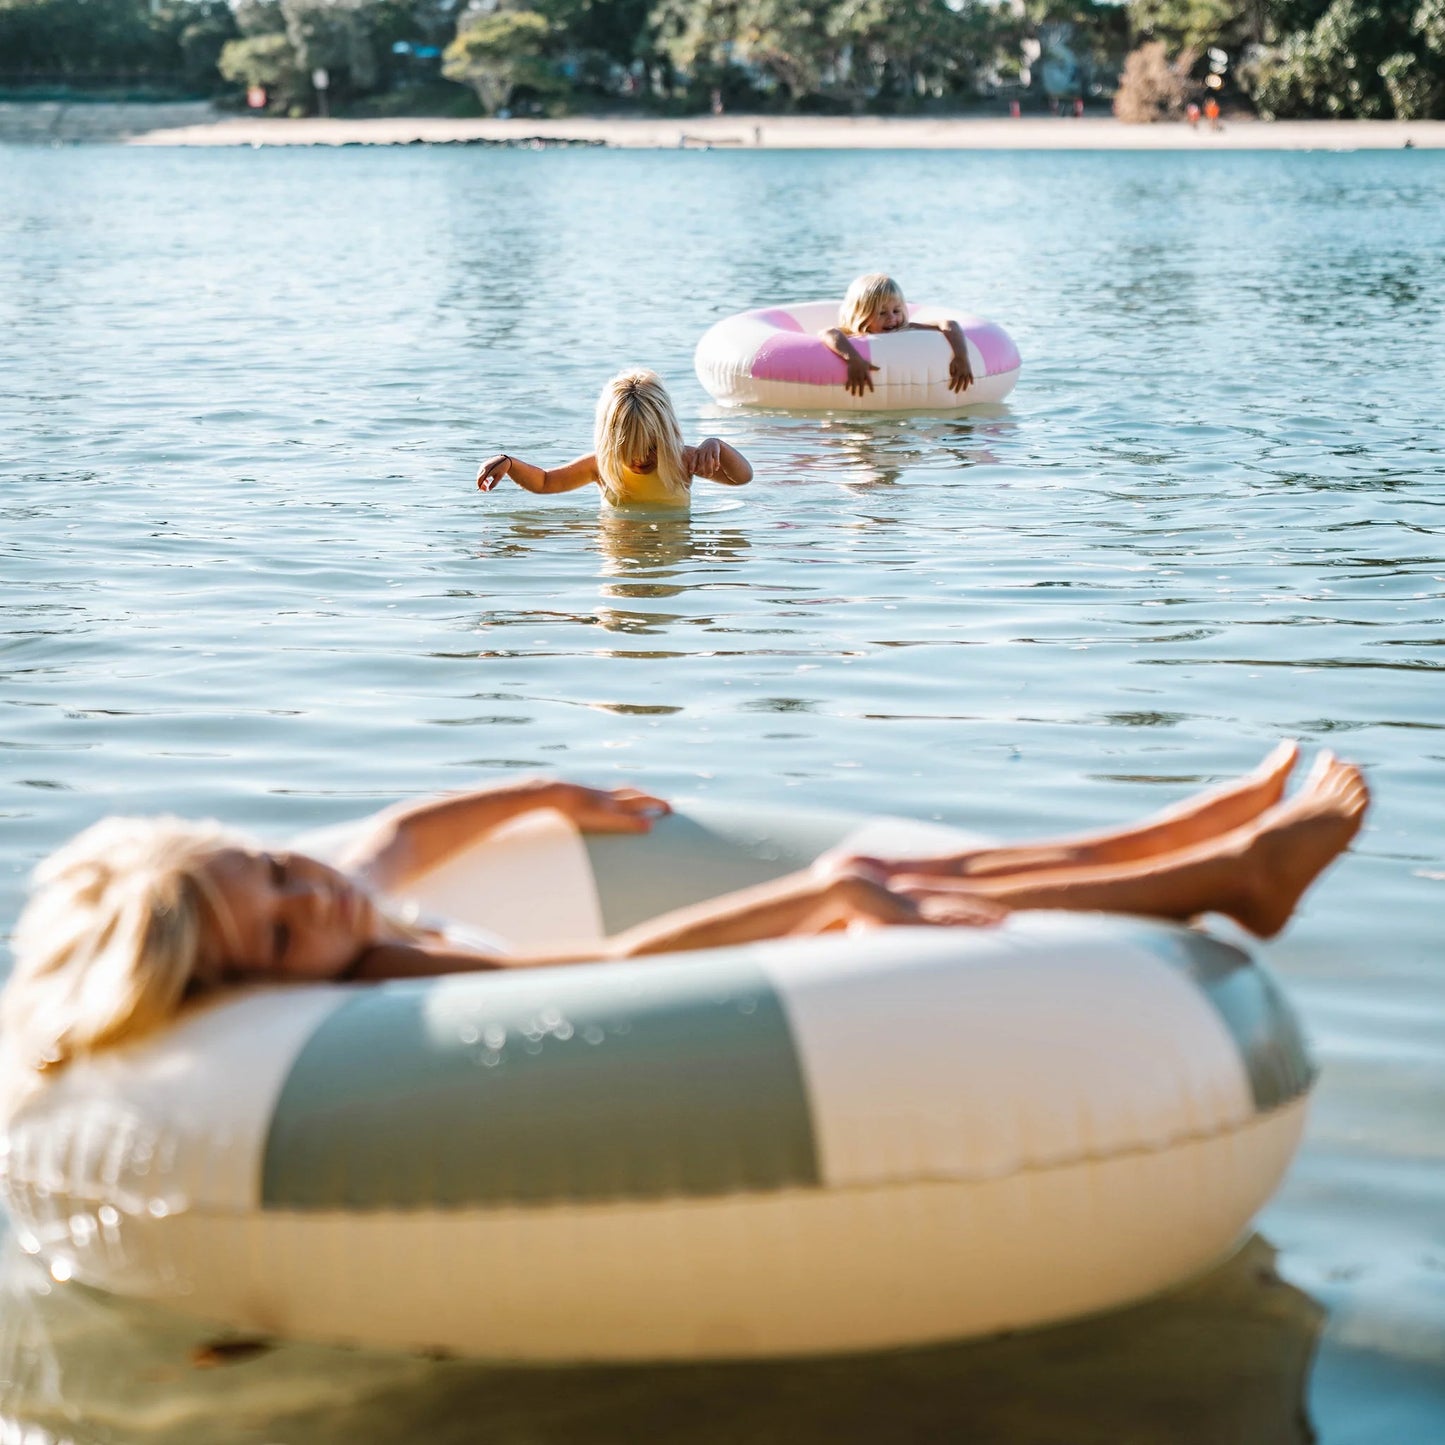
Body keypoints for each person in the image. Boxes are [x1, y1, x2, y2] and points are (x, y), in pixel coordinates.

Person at [2, 743, 1368, 1088]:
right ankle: (1221, 875)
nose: (313, 895)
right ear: (261, 985)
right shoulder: (377, 978)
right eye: (286, 924)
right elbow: (610, 965)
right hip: (678, 997)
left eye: (276, 868)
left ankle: (1186, 835)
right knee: (899, 891)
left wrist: (547, 791)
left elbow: (398, 836)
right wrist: (812, 897)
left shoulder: (328, 901)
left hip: (692, 963)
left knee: (925, 874)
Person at [475, 369, 751, 509]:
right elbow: (546, 482)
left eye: (652, 448)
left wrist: (717, 446)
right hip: (619, 551)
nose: (642, 458)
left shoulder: (683, 460)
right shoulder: (601, 465)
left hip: (673, 554)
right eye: (630, 450)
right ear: (610, 443)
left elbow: (742, 478)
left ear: (668, 436)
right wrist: (509, 463)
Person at [820, 274, 975, 399]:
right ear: (862, 315)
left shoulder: (905, 328)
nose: (891, 318)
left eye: (896, 311)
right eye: (882, 313)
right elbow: (828, 333)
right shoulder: (854, 333)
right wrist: (853, 359)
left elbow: (949, 324)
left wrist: (961, 357)